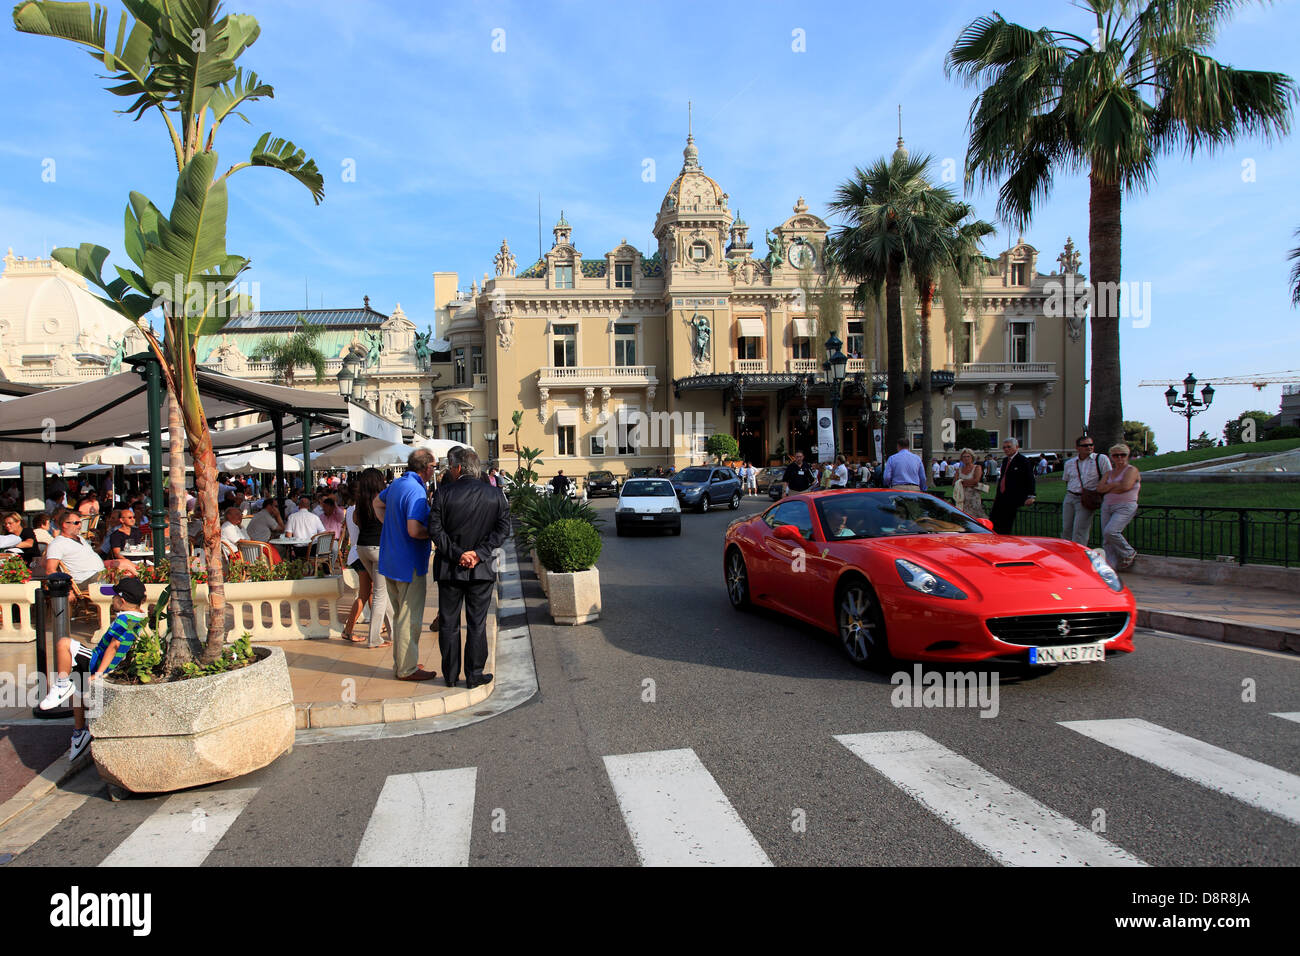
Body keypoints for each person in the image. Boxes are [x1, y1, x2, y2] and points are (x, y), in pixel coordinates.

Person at [37, 576, 148, 760]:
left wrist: (99, 673)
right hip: (100, 660)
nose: (111, 600)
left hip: (96, 662)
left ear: (122, 600)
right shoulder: (137, 616)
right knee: (78, 688)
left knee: (64, 644)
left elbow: (114, 646)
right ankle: (79, 733)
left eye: (113, 597)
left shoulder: (124, 621)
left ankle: (62, 684)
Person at [429, 447, 511, 689]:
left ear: (456, 468)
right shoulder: (495, 495)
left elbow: (435, 530)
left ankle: (451, 676)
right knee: (477, 622)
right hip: (481, 569)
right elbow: (502, 530)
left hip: (449, 567)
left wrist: (457, 554)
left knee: (449, 622)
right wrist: (479, 553)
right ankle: (474, 674)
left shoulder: (443, 493)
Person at [379, 449, 438, 681]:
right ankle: (407, 669)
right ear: (426, 468)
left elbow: (377, 503)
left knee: (398, 616)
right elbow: (414, 530)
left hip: (390, 559)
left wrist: (391, 526)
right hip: (409, 562)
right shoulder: (416, 490)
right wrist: (433, 533)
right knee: (409, 618)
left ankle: (403, 662)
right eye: (434, 465)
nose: (435, 469)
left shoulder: (397, 484)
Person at [348, 467, 392, 649]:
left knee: (383, 591)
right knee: (381, 594)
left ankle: (394, 631)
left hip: (362, 548)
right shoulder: (382, 499)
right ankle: (373, 638)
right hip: (379, 548)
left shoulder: (360, 501)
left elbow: (357, 521)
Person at [45, 512, 134, 586]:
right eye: (76, 523)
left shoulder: (80, 538)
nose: (80, 526)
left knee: (131, 577)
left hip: (100, 574)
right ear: (65, 524)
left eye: (80, 522)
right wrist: (67, 588)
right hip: (87, 580)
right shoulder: (58, 543)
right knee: (127, 583)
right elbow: (50, 570)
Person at [1095, 443, 1141, 571]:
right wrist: (1115, 485)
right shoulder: (1109, 473)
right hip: (1107, 505)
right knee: (1106, 538)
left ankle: (1128, 552)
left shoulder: (1131, 470)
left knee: (1111, 531)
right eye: (1116, 455)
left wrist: (1109, 487)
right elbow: (1099, 488)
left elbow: (1125, 487)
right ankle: (1111, 566)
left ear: (1127, 456)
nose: (1119, 458)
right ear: (1112, 457)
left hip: (1125, 506)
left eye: (1123, 455)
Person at [1061, 435, 1112, 546]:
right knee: (1066, 528)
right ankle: (1066, 551)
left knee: (1080, 529)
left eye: (1091, 445)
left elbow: (1108, 477)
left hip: (1087, 498)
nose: (1089, 447)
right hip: (1070, 496)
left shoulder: (1101, 459)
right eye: (1085, 445)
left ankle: (1078, 553)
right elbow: (1067, 480)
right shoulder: (1070, 463)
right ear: (1077, 448)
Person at [990, 437, 1036, 534]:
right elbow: (1003, 478)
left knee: (1006, 524)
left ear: (1017, 447)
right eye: (1004, 447)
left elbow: (1030, 478)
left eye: (1009, 447)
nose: (1006, 449)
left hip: (1012, 497)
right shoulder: (1005, 460)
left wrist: (1031, 496)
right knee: (993, 522)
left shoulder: (1023, 461)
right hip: (1001, 497)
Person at [953, 448, 987, 519]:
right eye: (964, 457)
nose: (966, 458)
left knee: (975, 518)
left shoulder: (977, 467)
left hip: (973, 497)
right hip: (961, 498)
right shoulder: (958, 470)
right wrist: (967, 482)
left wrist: (961, 482)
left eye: (968, 456)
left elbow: (975, 481)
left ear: (972, 457)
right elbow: (954, 483)